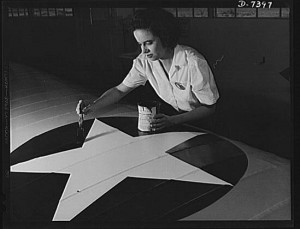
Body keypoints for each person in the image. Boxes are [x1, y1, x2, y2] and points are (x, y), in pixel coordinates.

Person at [76, 8, 219, 131]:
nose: (144, 50)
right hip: (175, 119)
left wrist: (172, 121)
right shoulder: (144, 61)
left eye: (149, 43)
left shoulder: (193, 62)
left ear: (164, 36)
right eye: (140, 44)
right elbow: (120, 90)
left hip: (203, 124)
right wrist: (93, 105)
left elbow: (209, 108)